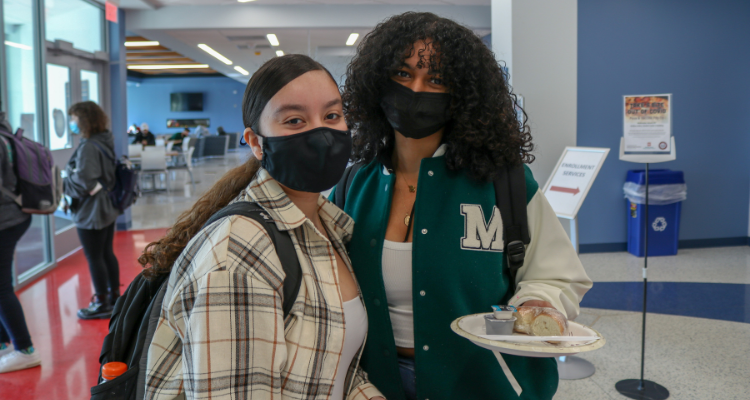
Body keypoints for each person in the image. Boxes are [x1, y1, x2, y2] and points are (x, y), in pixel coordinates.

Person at [332, 12, 592, 400]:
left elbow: (557, 276)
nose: (416, 89)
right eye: (403, 74)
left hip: (482, 382)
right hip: (374, 384)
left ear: (464, 95)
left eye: (436, 79)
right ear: (379, 81)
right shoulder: (355, 183)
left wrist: (537, 303)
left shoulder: (505, 182)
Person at [142, 55, 384, 400]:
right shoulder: (238, 253)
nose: (322, 133)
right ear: (256, 142)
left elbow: (335, 367)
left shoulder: (327, 226)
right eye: (295, 120)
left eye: (332, 116)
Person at [64, 101, 122, 320]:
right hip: (107, 207)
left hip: (92, 211)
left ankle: (101, 303)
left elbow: (85, 181)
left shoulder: (88, 146)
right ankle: (114, 298)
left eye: (74, 119)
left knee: (94, 256)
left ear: (84, 120)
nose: (72, 123)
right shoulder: (105, 140)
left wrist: (63, 184)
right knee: (106, 253)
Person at [0, 113, 40, 373]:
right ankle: (4, 343)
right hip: (14, 215)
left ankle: (25, 350)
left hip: (5, 220)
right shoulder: (6, 133)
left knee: (1, 287)